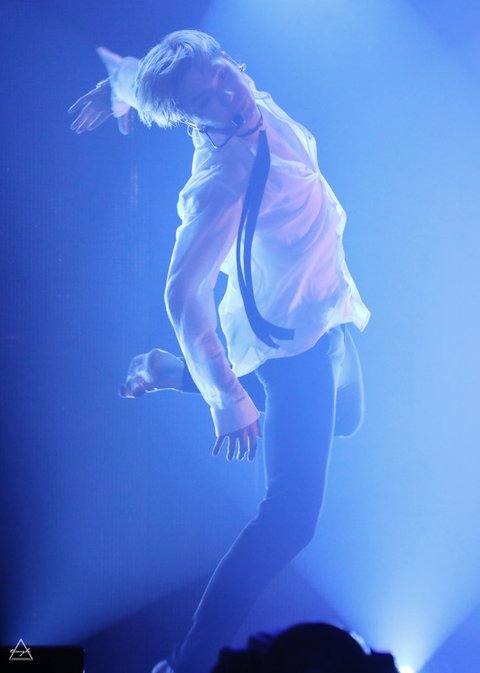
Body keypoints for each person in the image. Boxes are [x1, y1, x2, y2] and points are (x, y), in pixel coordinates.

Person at [69, 30, 370, 673]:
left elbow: (156, 80)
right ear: (190, 117)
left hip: (327, 306)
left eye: (224, 76)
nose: (228, 95)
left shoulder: (246, 93)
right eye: (206, 99)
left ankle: (172, 370)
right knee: (289, 522)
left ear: (232, 63)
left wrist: (117, 86)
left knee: (348, 420)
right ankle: (186, 663)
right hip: (291, 348)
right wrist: (226, 401)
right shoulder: (221, 179)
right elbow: (182, 294)